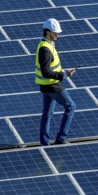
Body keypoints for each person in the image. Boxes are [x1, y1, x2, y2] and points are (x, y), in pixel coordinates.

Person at [35, 18, 76, 146]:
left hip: (47, 85)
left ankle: (44, 142)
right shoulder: (45, 49)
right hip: (52, 85)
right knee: (71, 106)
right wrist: (63, 75)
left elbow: (52, 67)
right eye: (55, 32)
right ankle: (62, 138)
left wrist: (63, 71)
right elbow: (45, 72)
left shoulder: (47, 44)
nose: (57, 35)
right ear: (47, 32)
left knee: (47, 113)